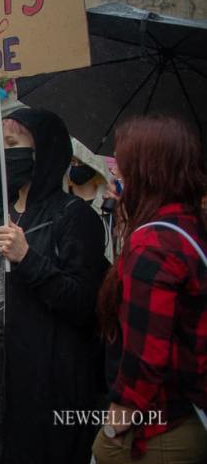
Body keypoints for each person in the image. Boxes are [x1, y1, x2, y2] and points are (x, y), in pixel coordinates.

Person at [0, 108, 108, 464]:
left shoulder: (74, 217)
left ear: (45, 151)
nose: (4, 154)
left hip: (43, 389)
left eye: (13, 144)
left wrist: (27, 258)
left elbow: (84, 304)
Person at [93, 116, 207, 463]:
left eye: (122, 169)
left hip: (159, 428)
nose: (117, 180)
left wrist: (113, 427)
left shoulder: (153, 245)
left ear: (148, 171)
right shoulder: (186, 224)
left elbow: (145, 355)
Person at [67, 138, 113, 261]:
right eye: (72, 162)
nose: (76, 167)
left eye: (81, 162)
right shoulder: (61, 205)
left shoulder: (110, 207)